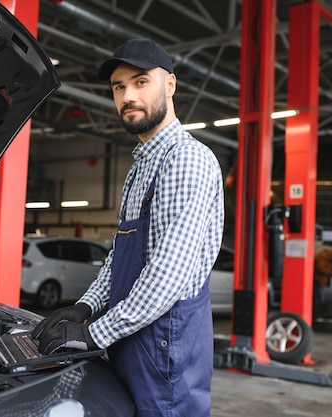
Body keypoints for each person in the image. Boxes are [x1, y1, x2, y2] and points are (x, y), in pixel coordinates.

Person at [32, 39, 224, 417]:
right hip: (130, 337)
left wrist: (94, 334)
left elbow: (166, 275)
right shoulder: (141, 167)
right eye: (119, 87)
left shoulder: (185, 159)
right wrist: (86, 306)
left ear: (169, 85)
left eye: (140, 82)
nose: (128, 96)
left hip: (166, 349)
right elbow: (120, 256)